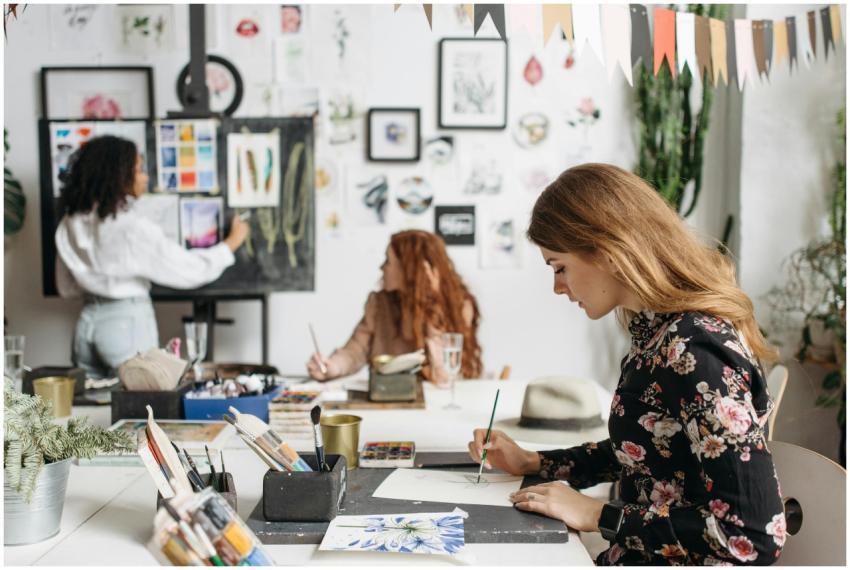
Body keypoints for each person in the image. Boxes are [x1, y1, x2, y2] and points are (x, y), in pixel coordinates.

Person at [468, 164, 785, 565]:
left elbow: (754, 535)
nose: (557, 287)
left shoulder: (693, 351)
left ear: (605, 250)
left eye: (559, 267)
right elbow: (652, 448)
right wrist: (536, 463)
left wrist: (597, 513)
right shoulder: (656, 332)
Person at [55, 135, 248, 378]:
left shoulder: (69, 223)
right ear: (119, 175)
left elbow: (66, 287)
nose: (145, 177)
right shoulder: (131, 228)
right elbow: (189, 270)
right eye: (139, 169)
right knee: (139, 405)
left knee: (87, 413)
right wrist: (231, 243)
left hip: (87, 324)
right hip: (126, 324)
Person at [306, 230, 482, 383]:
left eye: (388, 261)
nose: (382, 267)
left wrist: (432, 305)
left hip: (435, 401)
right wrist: (332, 367)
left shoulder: (459, 306)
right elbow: (356, 350)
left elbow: (444, 374)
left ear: (410, 270)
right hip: (390, 397)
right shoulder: (379, 304)